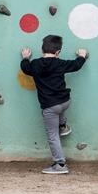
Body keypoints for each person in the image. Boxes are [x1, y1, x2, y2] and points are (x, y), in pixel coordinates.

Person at [20, 35, 87, 175]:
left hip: (50, 107)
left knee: (52, 136)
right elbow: (76, 65)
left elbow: (25, 68)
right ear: (57, 52)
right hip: (65, 101)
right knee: (60, 112)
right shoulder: (60, 63)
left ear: (42, 49)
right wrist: (82, 56)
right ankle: (63, 126)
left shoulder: (36, 64)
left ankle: (60, 164)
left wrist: (25, 57)